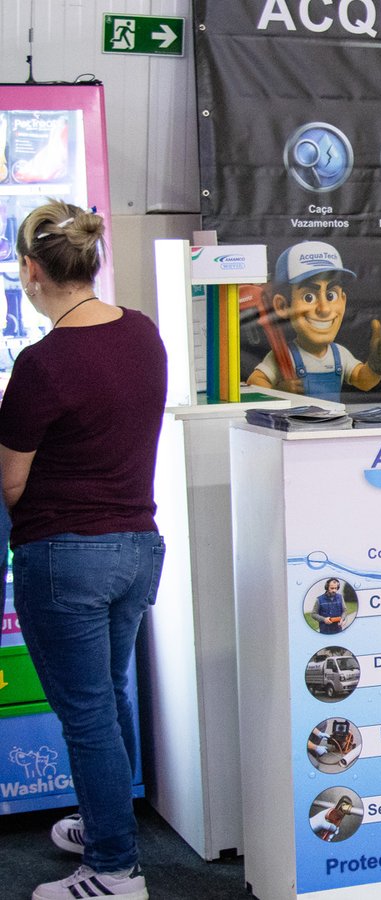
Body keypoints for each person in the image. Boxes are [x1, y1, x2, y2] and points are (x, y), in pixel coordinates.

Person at [0, 200, 167, 900]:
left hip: (66, 557)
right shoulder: (143, 333)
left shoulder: (42, 365)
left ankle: (114, 869)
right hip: (138, 548)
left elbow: (11, 484)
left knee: (87, 713)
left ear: (31, 270)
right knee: (108, 695)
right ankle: (106, 823)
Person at [246, 240, 381, 401]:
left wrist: (375, 368)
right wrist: (278, 391)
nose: (325, 309)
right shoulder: (284, 356)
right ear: (282, 306)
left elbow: (363, 382)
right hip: (297, 417)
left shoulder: (340, 355)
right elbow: (254, 382)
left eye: (331, 295)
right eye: (309, 297)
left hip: (333, 418)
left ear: (343, 300)